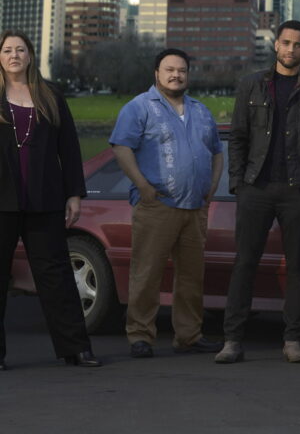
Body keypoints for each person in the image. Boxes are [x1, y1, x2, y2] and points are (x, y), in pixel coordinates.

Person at [215, 21, 300, 365]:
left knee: (298, 266)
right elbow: (237, 138)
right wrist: (238, 183)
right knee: (245, 264)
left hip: (298, 191)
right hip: (256, 187)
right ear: (275, 45)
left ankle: (293, 339)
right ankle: (233, 339)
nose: (291, 50)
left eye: (298, 45)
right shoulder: (251, 85)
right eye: (286, 43)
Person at [110, 48, 224, 358]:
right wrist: (143, 185)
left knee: (191, 276)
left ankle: (189, 335)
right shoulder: (138, 107)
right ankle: (140, 336)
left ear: (188, 75)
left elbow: (216, 151)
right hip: (157, 205)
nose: (176, 74)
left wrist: (212, 185)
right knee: (147, 272)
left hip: (195, 207)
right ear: (157, 74)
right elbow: (122, 148)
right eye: (169, 69)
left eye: (182, 70)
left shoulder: (200, 110)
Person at [0, 30, 100, 369]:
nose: (14, 55)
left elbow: (69, 149)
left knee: (56, 275)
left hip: (45, 200)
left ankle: (76, 348)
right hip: (1, 202)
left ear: (30, 55)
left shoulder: (50, 96)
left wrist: (74, 193)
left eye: (21, 49)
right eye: (7, 50)